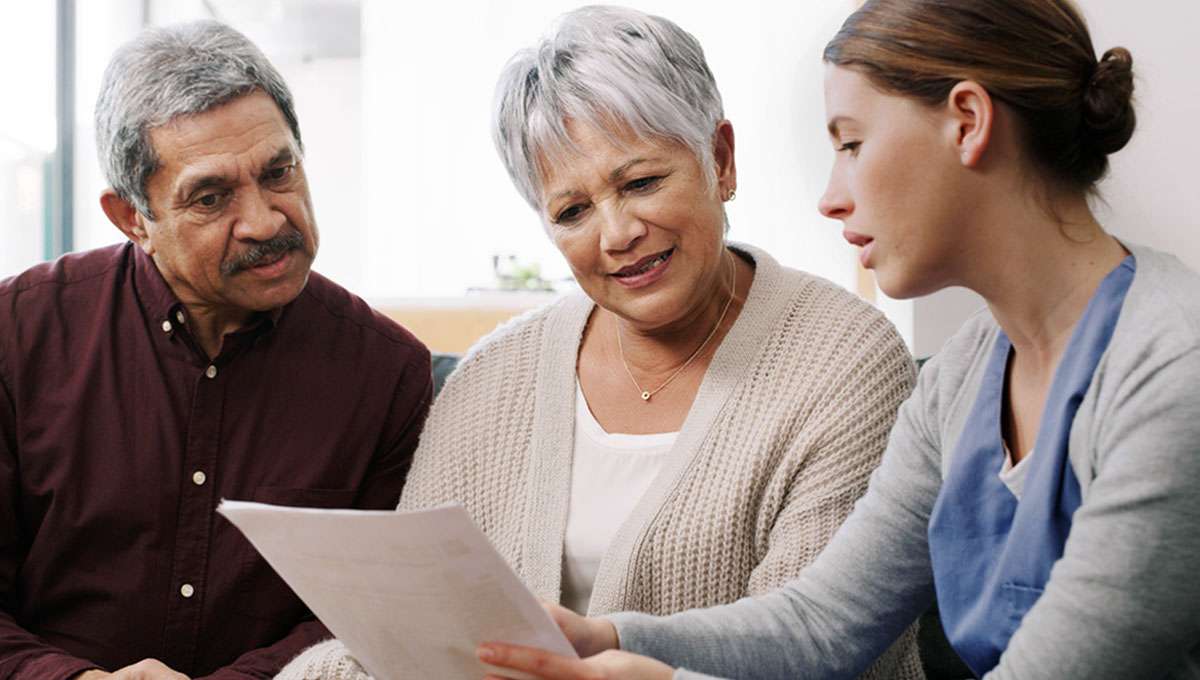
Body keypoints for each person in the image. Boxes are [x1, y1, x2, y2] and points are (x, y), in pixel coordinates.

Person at [474, 0, 1200, 679]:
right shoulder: (963, 378)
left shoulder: (1174, 371)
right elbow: (824, 623)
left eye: (851, 143)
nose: (830, 196)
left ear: (968, 122)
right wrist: (615, 639)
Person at [278, 6, 921, 680]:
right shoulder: (492, 379)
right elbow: (400, 637)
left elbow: (816, 651)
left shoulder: (847, 361)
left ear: (720, 160)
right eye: (572, 211)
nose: (615, 235)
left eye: (641, 183)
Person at [0, 21, 432, 680]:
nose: (264, 221)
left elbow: (366, 609)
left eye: (278, 172)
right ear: (131, 218)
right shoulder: (19, 332)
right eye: (211, 197)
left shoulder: (388, 373)